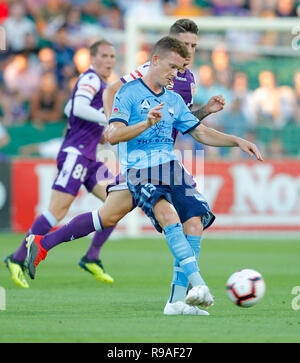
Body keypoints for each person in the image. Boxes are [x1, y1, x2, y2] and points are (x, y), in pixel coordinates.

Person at [26, 36, 263, 317]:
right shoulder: (128, 94)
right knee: (166, 215)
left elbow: (199, 132)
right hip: (140, 169)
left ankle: (176, 301)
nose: (176, 73)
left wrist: (236, 140)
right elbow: (113, 135)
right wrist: (145, 122)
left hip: (171, 168)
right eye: (172, 67)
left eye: (180, 69)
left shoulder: (174, 99)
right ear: (155, 61)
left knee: (189, 220)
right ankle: (198, 285)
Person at [3, 39, 117, 288]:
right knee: (56, 211)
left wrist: (98, 128)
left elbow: (68, 107)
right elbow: (77, 106)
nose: (109, 61)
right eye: (104, 56)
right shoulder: (91, 79)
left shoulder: (99, 84)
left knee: (117, 200)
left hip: (88, 156)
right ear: (92, 58)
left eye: (112, 56)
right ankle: (17, 258)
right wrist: (107, 119)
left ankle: (91, 257)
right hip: (75, 154)